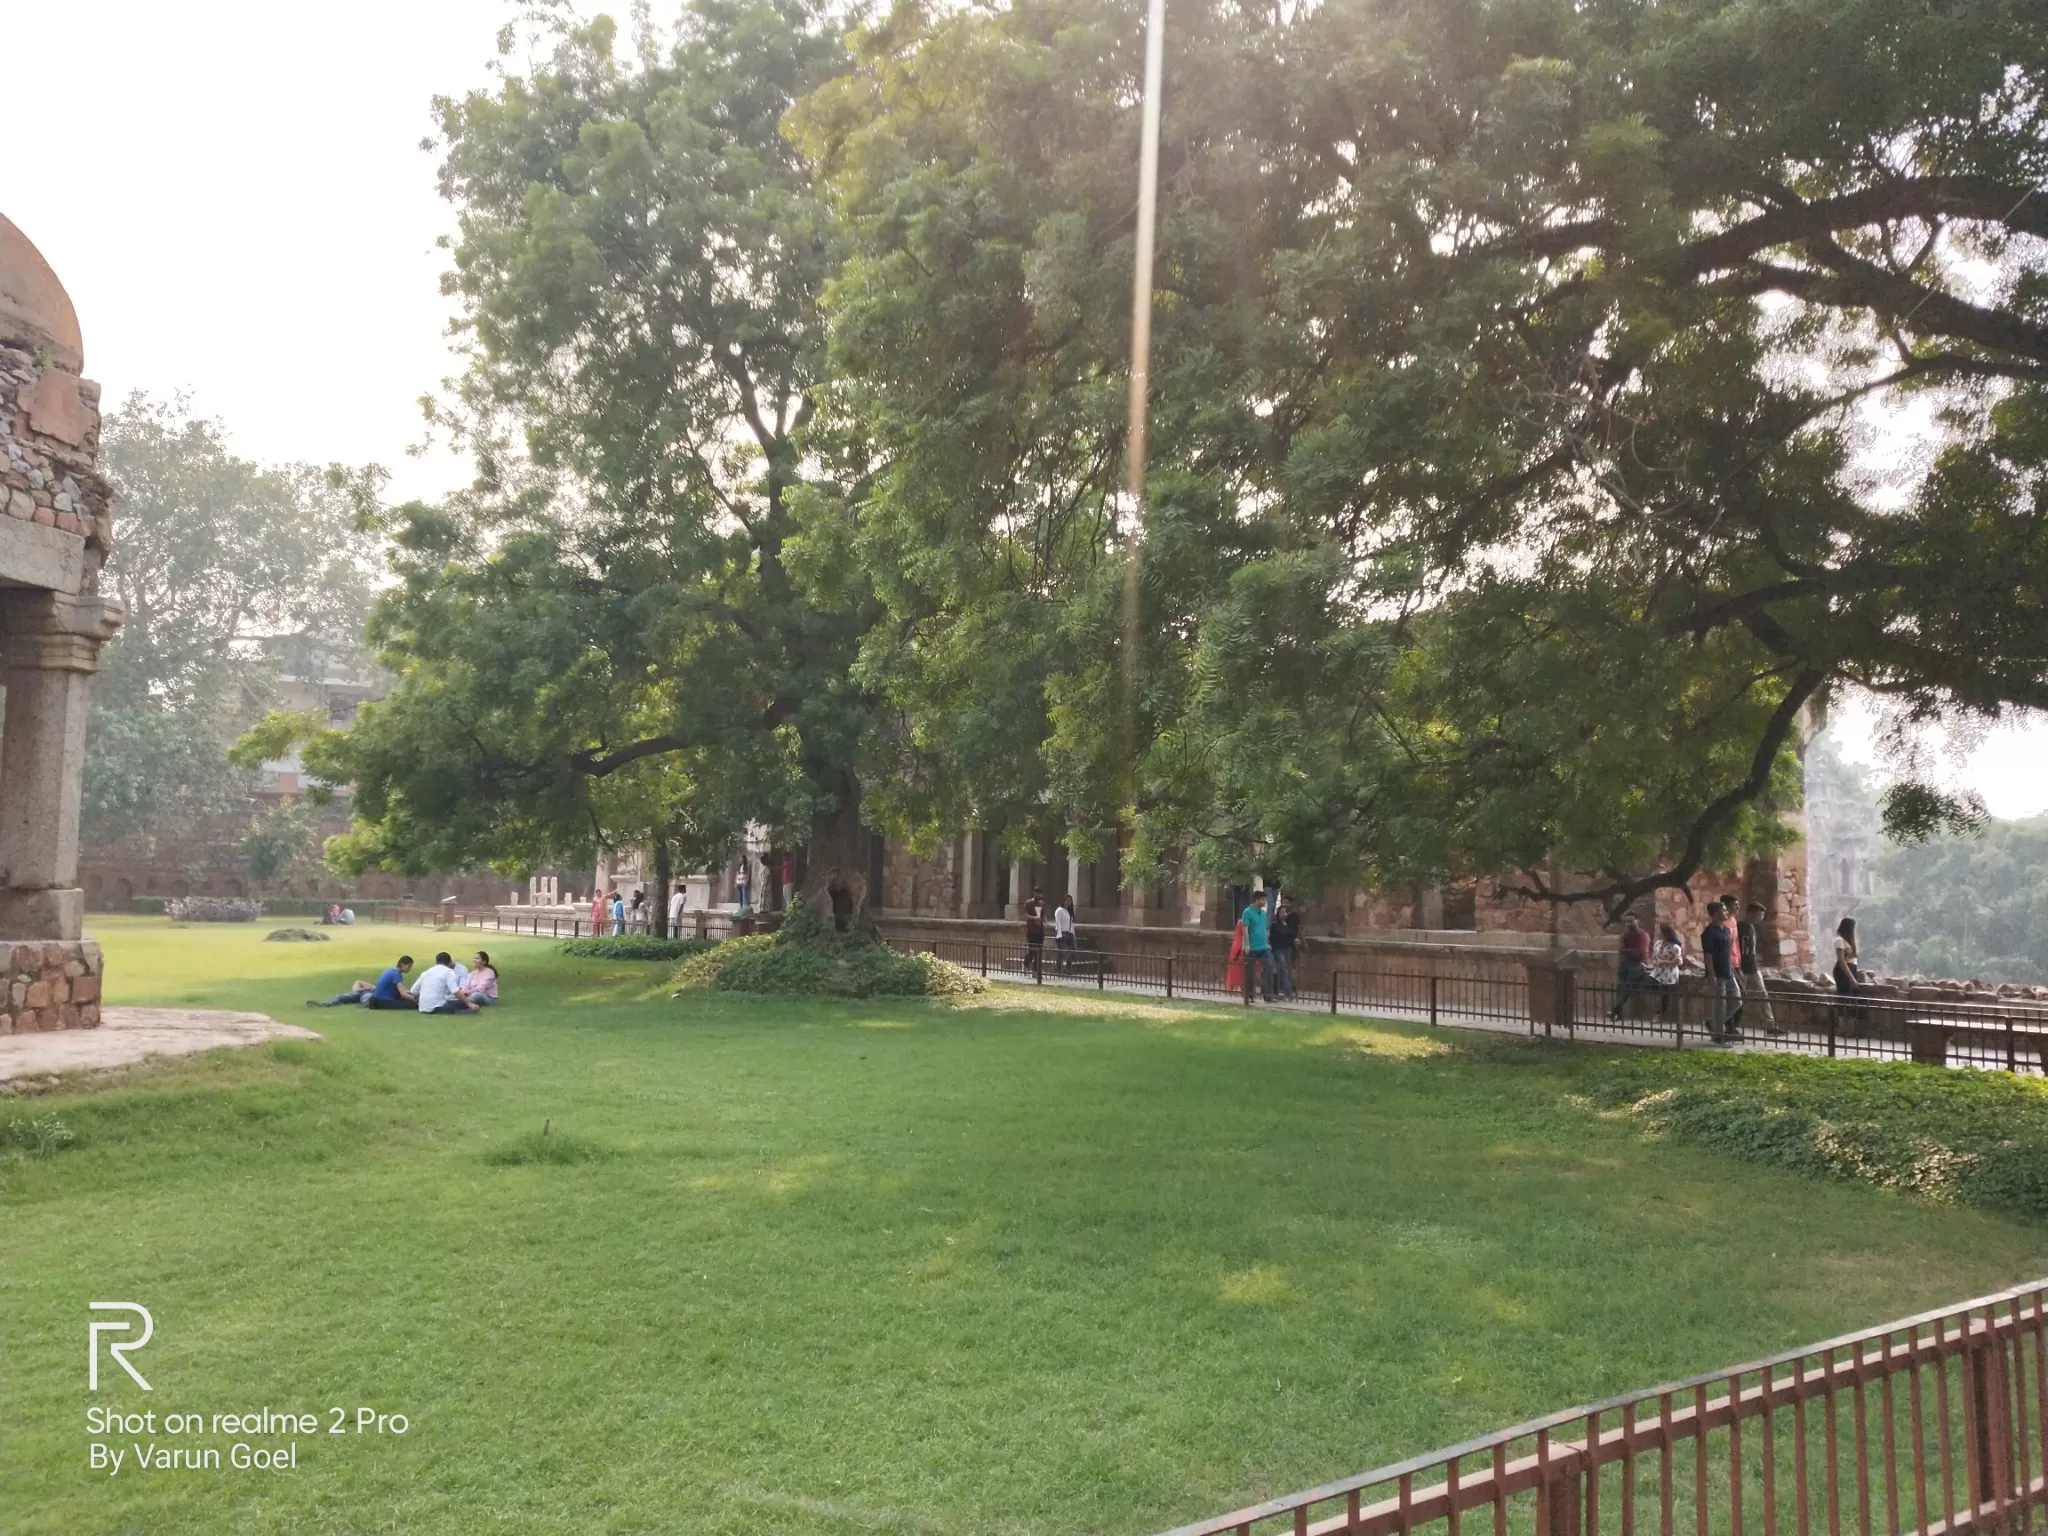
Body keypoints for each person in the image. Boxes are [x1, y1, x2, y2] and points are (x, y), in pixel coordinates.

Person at [308, 955, 415, 1010]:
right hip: (375, 999)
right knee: (355, 996)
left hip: (371, 996)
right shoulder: (396, 974)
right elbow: (403, 993)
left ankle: (327, 1004)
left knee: (348, 997)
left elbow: (402, 990)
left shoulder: (390, 971)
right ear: (402, 964)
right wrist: (416, 1000)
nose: (410, 968)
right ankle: (327, 1004)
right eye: (409, 966)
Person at [1738, 900, 1780, 1034]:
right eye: (1759, 915)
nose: (1760, 918)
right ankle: (1729, 1023)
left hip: (1753, 968)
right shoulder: (1739, 928)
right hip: (1742, 968)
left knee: (1763, 995)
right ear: (1750, 913)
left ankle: (1770, 1025)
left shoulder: (1752, 929)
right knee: (1738, 997)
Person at [1701, 902, 1740, 1044]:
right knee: (1720, 1005)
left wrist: (1734, 970)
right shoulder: (1709, 932)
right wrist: (1711, 975)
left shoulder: (1726, 930)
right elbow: (1708, 955)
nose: (1726, 912)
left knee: (1737, 1001)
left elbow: (1727, 953)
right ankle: (1718, 1035)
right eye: (1723, 910)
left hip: (1728, 972)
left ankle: (1713, 1023)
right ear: (1716, 913)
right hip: (1718, 973)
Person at [1610, 914, 1655, 1019]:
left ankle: (1616, 1010)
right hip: (1627, 963)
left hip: (1640, 963)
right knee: (1621, 985)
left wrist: (1627, 951)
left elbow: (1641, 951)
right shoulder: (1625, 936)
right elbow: (1621, 949)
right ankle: (1618, 1012)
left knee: (1628, 984)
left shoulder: (1643, 936)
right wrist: (1630, 952)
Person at [1240, 889, 1272, 1002]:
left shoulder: (1263, 914)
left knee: (1269, 968)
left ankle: (1267, 995)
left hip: (1263, 947)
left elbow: (1264, 930)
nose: (1264, 902)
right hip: (1252, 947)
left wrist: (1267, 943)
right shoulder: (1247, 912)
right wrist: (1247, 945)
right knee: (1250, 973)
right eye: (1262, 900)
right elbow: (1245, 930)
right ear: (1256, 900)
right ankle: (1249, 995)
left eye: (1265, 900)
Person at [1269, 897, 1301, 1000]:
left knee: (1287, 971)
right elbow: (1272, 938)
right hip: (1278, 950)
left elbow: (1292, 935)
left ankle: (1286, 991)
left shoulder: (1288, 924)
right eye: (1281, 912)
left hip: (1288, 949)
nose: (1284, 914)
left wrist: (1295, 940)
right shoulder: (1275, 925)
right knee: (1284, 970)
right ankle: (1288, 992)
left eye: (1285, 912)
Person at [1650, 923, 1684, 1012]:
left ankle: (1660, 1012)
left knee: (1666, 993)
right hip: (1658, 972)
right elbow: (1654, 956)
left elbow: (1679, 962)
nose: (1658, 933)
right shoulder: (1658, 944)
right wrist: (1654, 961)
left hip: (1669, 973)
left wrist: (1664, 962)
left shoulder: (1675, 947)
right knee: (1647, 984)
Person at [1022, 888, 1047, 977]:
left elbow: (1044, 914)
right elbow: (1025, 914)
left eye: (1040, 894)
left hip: (1040, 930)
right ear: (1034, 893)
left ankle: (1036, 971)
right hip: (1031, 930)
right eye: (1038, 893)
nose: (1039, 896)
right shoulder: (1029, 903)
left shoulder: (1042, 904)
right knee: (1032, 950)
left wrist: (1045, 920)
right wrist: (1034, 918)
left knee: (1039, 951)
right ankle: (1026, 964)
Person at [1053, 895, 1078, 974]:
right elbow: (1058, 922)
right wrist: (1059, 934)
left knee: (1073, 950)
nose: (1068, 902)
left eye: (1070, 900)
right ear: (1063, 901)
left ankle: (1065, 968)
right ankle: (1060, 969)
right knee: (1064, 951)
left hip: (1070, 933)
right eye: (1067, 900)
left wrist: (1073, 934)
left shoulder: (1070, 912)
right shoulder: (1059, 910)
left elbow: (1071, 924)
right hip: (1062, 933)